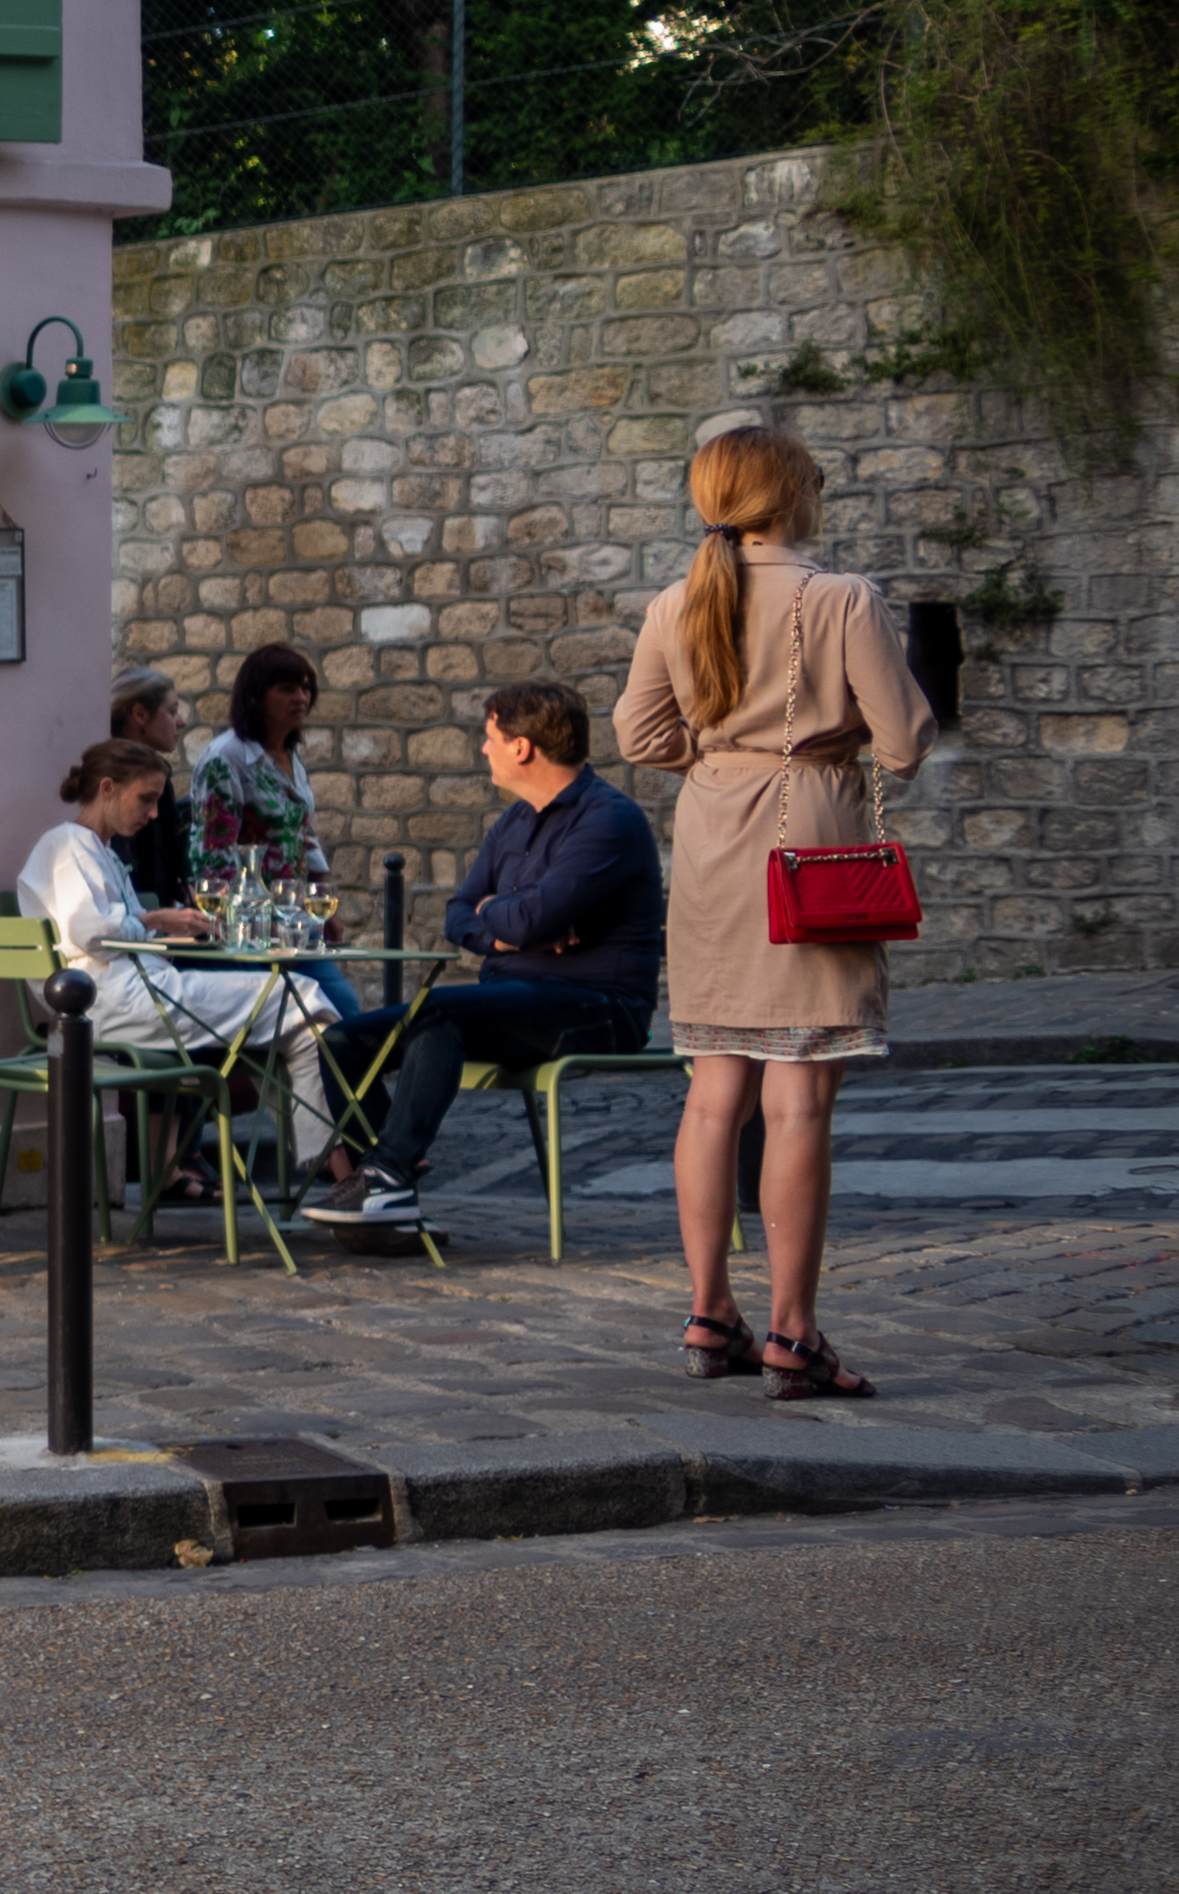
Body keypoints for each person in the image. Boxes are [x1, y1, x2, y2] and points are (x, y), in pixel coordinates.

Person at [616, 420, 936, 1397]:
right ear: (793, 495)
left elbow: (638, 733)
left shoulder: (678, 600)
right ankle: (794, 1334)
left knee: (714, 1097)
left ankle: (710, 1315)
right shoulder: (841, 598)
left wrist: (716, 760)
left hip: (714, 847)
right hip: (810, 843)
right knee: (798, 1098)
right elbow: (906, 739)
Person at [299, 685, 665, 1238]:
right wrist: (507, 930)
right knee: (340, 1043)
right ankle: (389, 1187)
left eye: (489, 738)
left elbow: (519, 920)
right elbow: (458, 914)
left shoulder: (608, 820)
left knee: (442, 1013)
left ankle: (388, 1177)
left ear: (522, 747)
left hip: (599, 1006)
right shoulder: (515, 821)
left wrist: (504, 918)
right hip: (513, 999)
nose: (482, 750)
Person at [18, 742, 338, 1185]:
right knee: (301, 998)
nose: (153, 814)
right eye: (145, 799)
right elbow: (88, 929)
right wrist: (155, 920)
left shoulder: (96, 850)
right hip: (115, 1004)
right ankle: (332, 1159)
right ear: (107, 789)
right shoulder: (70, 844)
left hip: (128, 997)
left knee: (301, 1021)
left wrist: (160, 929)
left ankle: (325, 1158)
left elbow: (108, 931)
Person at [191, 645, 328, 882]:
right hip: (249, 910)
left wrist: (325, 905)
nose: (301, 698)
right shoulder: (225, 759)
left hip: (292, 907)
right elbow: (214, 856)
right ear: (255, 697)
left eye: (305, 689)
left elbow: (303, 834)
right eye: (287, 689)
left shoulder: (290, 754)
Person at [107, 670, 198, 909]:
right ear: (139, 714)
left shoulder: (158, 771)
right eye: (171, 711)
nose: (181, 722)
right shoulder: (122, 777)